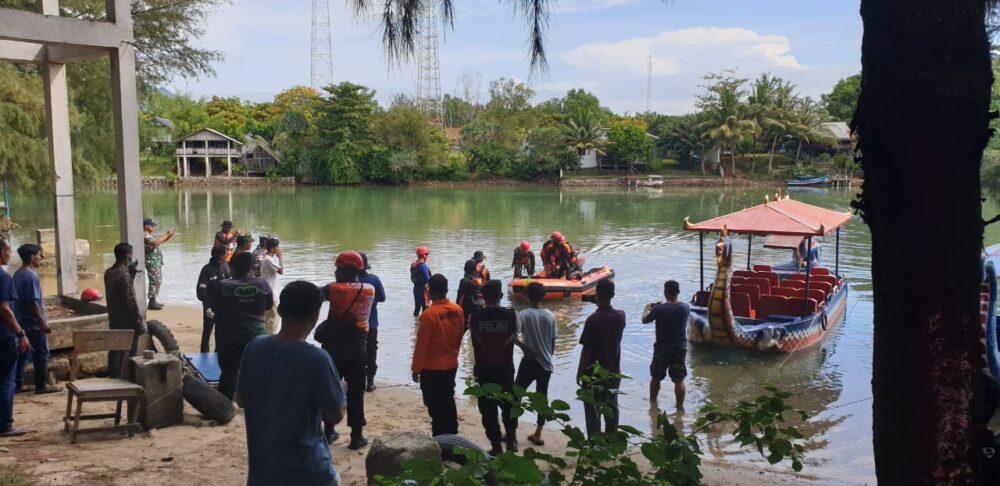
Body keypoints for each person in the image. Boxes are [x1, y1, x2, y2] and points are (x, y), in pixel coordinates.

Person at [236, 281, 347, 486]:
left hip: (262, 474)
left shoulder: (254, 347)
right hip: (309, 472)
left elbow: (241, 399)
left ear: (279, 309)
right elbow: (335, 415)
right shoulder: (317, 359)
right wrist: (341, 390)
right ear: (316, 315)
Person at [314, 251, 374, 450]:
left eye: (337, 269)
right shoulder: (369, 289)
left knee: (331, 388)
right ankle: (357, 436)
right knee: (356, 391)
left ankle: (329, 431)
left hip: (333, 346)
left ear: (342, 270)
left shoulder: (333, 289)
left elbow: (314, 297)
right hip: (357, 347)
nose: (335, 272)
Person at [211, 252, 272, 400]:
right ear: (251, 267)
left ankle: (225, 403)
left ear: (232, 266)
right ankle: (257, 400)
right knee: (256, 370)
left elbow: (215, 308)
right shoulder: (263, 284)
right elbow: (268, 306)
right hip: (257, 336)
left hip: (230, 336)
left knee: (229, 371)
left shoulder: (223, 285)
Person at [411, 274, 465, 436]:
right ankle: (452, 434)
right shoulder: (458, 310)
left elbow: (421, 346)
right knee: (448, 400)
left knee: (434, 405)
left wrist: (416, 369)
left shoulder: (429, 315)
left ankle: (440, 437)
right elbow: (459, 337)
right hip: (451, 365)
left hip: (432, 369)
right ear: (447, 290)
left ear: (429, 292)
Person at [469, 280, 519, 454]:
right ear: (501, 296)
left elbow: (474, 337)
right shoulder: (512, 315)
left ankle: (496, 447)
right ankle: (511, 441)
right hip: (505, 369)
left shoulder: (475, 317)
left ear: (483, 296)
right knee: (508, 405)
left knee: (488, 411)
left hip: (484, 369)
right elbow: (515, 334)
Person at [577, 279, 625, 438]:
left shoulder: (593, 320)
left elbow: (587, 349)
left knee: (593, 410)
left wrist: (580, 372)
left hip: (593, 374)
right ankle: (612, 439)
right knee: (612, 406)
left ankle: (594, 441)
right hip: (614, 372)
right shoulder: (621, 316)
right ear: (613, 295)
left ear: (596, 294)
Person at [513, 282, 556, 446]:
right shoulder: (550, 316)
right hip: (546, 364)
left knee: (516, 394)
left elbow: (512, 336)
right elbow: (552, 342)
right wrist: (548, 356)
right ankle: (538, 433)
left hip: (529, 361)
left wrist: (524, 347)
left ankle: (511, 432)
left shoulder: (523, 315)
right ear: (543, 296)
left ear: (526, 296)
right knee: (542, 397)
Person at [13, 244, 59, 394]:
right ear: (32, 257)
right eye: (39, 255)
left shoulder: (18, 274)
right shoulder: (31, 275)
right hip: (33, 323)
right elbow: (33, 302)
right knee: (42, 353)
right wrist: (42, 322)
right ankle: (41, 385)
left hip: (21, 321)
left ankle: (18, 384)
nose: (41, 258)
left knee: (24, 353)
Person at [642, 280, 690, 411]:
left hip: (661, 349)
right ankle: (680, 407)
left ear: (665, 292)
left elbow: (645, 320)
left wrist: (647, 309)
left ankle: (653, 405)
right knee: (679, 379)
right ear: (678, 292)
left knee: (656, 378)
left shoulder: (658, 309)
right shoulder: (685, 308)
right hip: (679, 348)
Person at [0, 239, 30, 437]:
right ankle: (5, 425)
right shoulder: (3, 277)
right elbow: (4, 308)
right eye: (7, 251)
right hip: (4, 336)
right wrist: (21, 333)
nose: (9, 255)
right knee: (6, 381)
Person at [104, 243, 145, 380]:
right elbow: (130, 302)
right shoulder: (124, 275)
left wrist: (131, 273)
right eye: (131, 255)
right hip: (127, 322)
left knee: (115, 350)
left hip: (114, 319)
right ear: (128, 257)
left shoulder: (109, 273)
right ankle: (128, 379)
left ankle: (113, 378)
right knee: (130, 354)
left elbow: (119, 290)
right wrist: (138, 323)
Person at [359, 253, 386, 392]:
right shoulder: (374, 280)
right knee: (371, 351)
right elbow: (382, 298)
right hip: (371, 323)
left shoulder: (346, 282)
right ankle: (370, 382)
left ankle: (357, 379)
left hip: (352, 325)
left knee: (356, 352)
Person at [196, 246, 231, 353]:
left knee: (221, 332)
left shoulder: (225, 266)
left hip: (223, 305)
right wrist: (207, 307)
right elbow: (201, 291)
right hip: (210, 306)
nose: (227, 255)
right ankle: (204, 352)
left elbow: (230, 284)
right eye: (225, 253)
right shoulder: (207, 269)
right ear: (219, 255)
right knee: (207, 331)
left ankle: (218, 353)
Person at [143, 218, 176, 310]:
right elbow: (156, 242)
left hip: (155, 262)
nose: (153, 227)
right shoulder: (144, 235)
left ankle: (154, 300)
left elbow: (160, 242)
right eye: (152, 225)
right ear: (146, 226)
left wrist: (170, 236)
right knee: (155, 281)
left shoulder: (149, 235)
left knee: (158, 280)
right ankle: (152, 302)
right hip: (151, 262)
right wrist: (167, 234)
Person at [260, 238, 284, 335]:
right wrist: (281, 257)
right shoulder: (268, 259)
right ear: (272, 248)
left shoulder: (269, 259)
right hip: (271, 293)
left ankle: (269, 336)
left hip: (269, 292)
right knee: (273, 318)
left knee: (270, 318)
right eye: (277, 247)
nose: (279, 249)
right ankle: (271, 337)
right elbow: (281, 271)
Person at [456, 259, 484, 325]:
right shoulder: (480, 280)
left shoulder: (464, 281)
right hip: (479, 309)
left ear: (465, 269)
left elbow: (460, 298)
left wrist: (457, 313)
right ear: (475, 269)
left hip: (467, 311)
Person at [410, 246, 431, 316]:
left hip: (416, 289)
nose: (427, 256)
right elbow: (428, 280)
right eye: (427, 254)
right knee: (425, 308)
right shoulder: (423, 266)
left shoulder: (413, 265)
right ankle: (423, 322)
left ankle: (416, 321)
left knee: (417, 308)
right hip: (424, 290)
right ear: (424, 255)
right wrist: (430, 289)